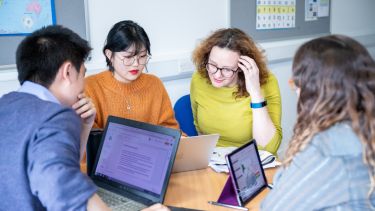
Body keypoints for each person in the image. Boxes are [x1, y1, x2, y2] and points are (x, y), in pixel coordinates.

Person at [0, 25, 168, 211]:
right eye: (83, 73)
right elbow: (68, 198)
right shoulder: (53, 118)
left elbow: (63, 166)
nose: (83, 84)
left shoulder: (5, 104)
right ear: (68, 72)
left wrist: (86, 124)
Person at [261, 35, 375, 210]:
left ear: (313, 92)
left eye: (296, 85)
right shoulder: (364, 127)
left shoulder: (327, 149)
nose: (296, 93)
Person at [190, 28, 282, 155]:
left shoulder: (266, 82)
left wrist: (255, 93)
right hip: (214, 161)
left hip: (251, 160)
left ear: (241, 68)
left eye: (227, 69)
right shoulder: (199, 79)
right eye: (212, 65)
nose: (217, 75)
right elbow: (199, 129)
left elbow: (268, 149)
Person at [85, 20, 180, 131]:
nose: (136, 64)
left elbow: (170, 130)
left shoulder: (155, 84)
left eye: (142, 56)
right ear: (109, 55)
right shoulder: (90, 87)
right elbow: (88, 141)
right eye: (128, 57)